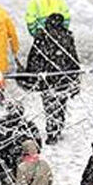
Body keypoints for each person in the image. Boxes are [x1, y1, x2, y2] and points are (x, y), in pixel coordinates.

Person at [22, 13, 80, 144]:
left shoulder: (42, 37)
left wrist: (31, 74)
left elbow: (34, 57)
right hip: (63, 78)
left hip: (47, 78)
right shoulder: (67, 37)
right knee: (61, 104)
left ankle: (52, 130)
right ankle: (58, 126)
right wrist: (74, 75)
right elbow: (72, 57)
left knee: (49, 105)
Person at [0, 101, 40, 185]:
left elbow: (37, 147)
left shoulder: (29, 126)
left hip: (23, 167)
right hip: (6, 167)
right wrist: (4, 157)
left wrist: (24, 158)